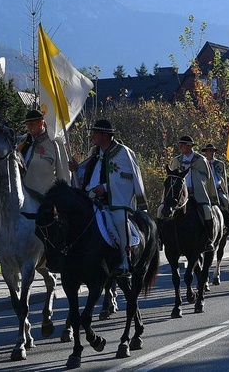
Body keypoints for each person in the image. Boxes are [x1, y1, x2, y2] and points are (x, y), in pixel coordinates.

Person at [71, 119, 148, 277]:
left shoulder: (122, 152)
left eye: (95, 133)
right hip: (91, 198)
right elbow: (87, 174)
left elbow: (126, 178)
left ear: (105, 135)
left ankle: (126, 261)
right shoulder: (95, 152)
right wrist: (76, 169)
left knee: (120, 220)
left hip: (113, 201)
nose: (92, 136)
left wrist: (105, 188)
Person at [169, 135, 220, 252]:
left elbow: (208, 178)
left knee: (207, 211)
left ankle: (209, 239)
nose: (180, 147)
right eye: (180, 145)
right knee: (164, 210)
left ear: (189, 146)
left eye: (183, 145)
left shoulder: (201, 160)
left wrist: (197, 188)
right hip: (180, 196)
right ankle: (162, 238)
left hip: (197, 195)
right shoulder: (177, 160)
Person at [18, 109, 71, 198]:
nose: (29, 127)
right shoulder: (23, 141)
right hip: (24, 194)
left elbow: (63, 170)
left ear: (41, 123)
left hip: (45, 197)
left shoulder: (54, 142)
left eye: (32, 124)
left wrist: (65, 193)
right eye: (27, 124)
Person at [202, 143, 229, 211]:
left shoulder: (220, 164)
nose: (212, 153)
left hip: (218, 190)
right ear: (206, 152)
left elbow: (224, 178)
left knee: (225, 201)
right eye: (210, 151)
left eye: (213, 151)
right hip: (205, 190)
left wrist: (224, 190)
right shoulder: (202, 163)